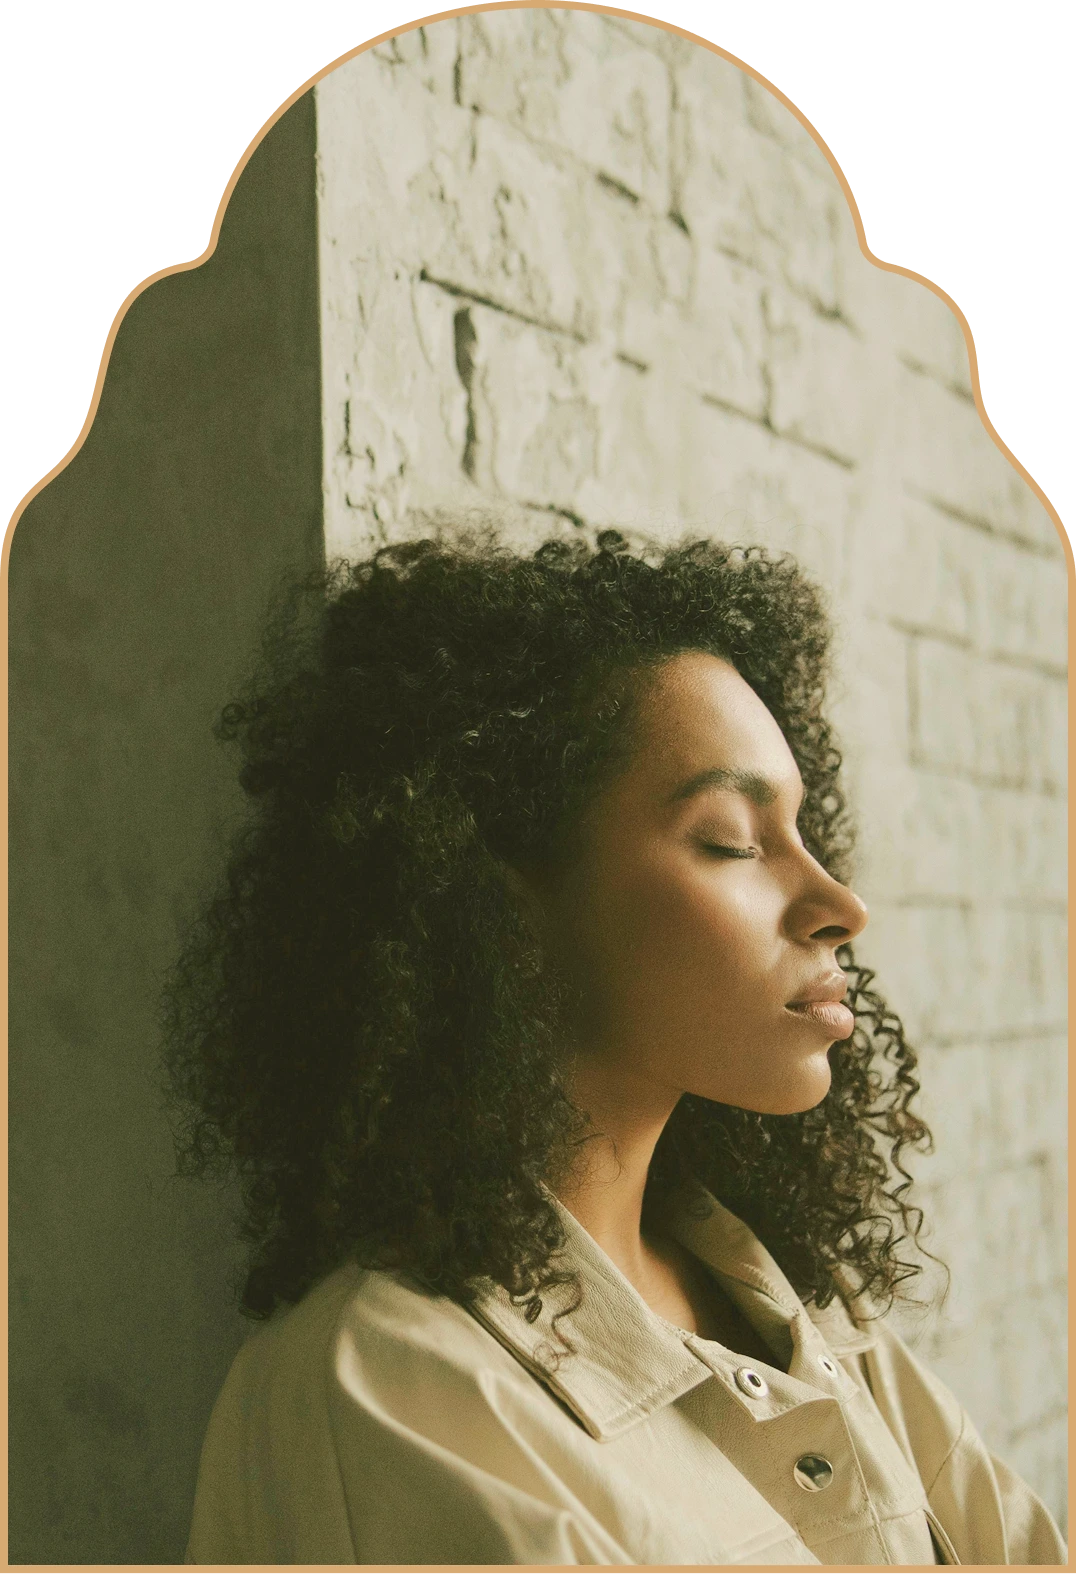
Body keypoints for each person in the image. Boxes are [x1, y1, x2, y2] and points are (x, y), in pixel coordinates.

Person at [164, 524, 1066, 1565]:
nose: (838, 903)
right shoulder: (383, 1395)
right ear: (504, 912)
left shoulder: (802, 1306)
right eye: (731, 838)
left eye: (806, 831)